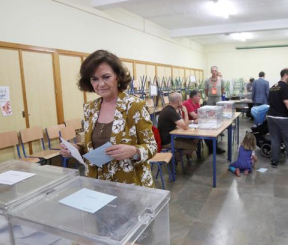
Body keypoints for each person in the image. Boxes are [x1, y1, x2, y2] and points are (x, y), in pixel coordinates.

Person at [59, 50, 157, 188]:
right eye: (94, 79)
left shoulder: (135, 106)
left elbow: (152, 147)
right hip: (97, 182)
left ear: (118, 77)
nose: (100, 84)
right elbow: (92, 145)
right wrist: (76, 149)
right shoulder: (90, 108)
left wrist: (134, 151)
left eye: (106, 77)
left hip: (129, 183)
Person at [158, 92, 199, 160]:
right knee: (193, 146)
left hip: (168, 137)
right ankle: (173, 157)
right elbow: (185, 127)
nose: (182, 102)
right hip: (168, 141)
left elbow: (180, 124)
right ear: (178, 101)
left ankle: (175, 157)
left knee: (193, 139)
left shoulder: (167, 109)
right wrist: (185, 111)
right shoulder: (171, 112)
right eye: (181, 100)